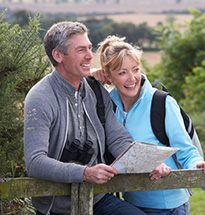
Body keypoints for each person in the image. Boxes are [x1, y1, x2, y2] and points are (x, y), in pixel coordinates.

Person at [24, 21, 170, 215]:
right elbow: (35, 162)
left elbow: (118, 138)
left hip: (98, 198)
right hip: (57, 206)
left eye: (90, 48)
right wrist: (84, 173)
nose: (89, 56)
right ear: (58, 55)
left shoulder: (95, 90)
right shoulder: (40, 97)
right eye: (80, 50)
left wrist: (147, 162)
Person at [91, 35, 205, 215]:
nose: (132, 78)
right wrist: (90, 75)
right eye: (122, 72)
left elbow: (185, 151)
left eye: (135, 69)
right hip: (130, 204)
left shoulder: (162, 103)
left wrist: (198, 164)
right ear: (108, 75)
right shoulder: (107, 105)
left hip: (169, 206)